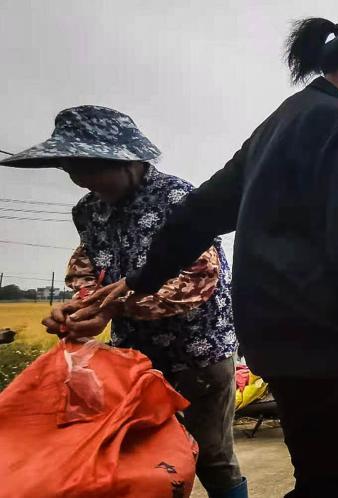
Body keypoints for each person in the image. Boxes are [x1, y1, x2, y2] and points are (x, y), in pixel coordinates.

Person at [85, 13, 338, 498]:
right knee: (324, 481)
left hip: (275, 331)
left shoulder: (283, 120)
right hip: (311, 334)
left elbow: (197, 212)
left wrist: (142, 278)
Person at [0, 105, 247, 498]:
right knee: (138, 455)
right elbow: (87, 265)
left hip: (197, 352)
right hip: (133, 357)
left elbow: (198, 279)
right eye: (71, 169)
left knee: (212, 456)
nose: (81, 180)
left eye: (89, 169)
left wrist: (113, 308)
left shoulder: (180, 200)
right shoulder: (88, 211)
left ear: (127, 161)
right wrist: (84, 306)